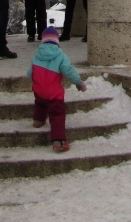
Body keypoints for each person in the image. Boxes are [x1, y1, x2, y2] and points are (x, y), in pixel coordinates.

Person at [26, 23, 87, 152]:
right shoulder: (60, 55)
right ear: (56, 41)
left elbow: (29, 73)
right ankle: (58, 140)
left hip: (38, 89)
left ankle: (38, 120)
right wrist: (79, 83)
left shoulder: (37, 54)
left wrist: (37, 81)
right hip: (53, 93)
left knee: (40, 103)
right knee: (57, 114)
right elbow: (69, 71)